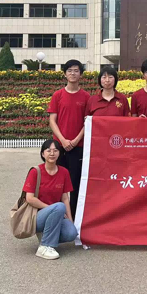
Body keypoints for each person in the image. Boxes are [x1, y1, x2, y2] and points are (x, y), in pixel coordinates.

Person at [47, 59, 90, 217]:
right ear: (65, 74)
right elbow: (52, 120)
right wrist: (63, 140)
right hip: (59, 147)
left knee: (76, 184)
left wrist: (76, 140)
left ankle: (75, 218)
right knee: (57, 183)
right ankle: (57, 215)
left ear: (81, 74)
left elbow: (87, 122)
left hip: (78, 147)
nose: (73, 73)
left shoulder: (86, 97)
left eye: (76, 70)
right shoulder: (58, 95)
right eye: (70, 70)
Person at [23, 139, 78, 260]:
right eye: (48, 150)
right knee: (59, 206)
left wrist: (70, 220)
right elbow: (29, 198)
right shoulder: (35, 172)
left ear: (59, 153)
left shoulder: (64, 172)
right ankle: (45, 246)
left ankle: (46, 236)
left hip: (57, 213)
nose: (52, 153)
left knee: (71, 233)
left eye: (55, 150)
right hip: (36, 216)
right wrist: (52, 208)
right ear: (43, 154)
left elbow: (65, 198)